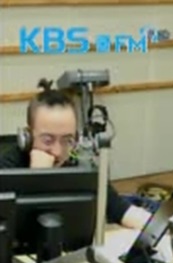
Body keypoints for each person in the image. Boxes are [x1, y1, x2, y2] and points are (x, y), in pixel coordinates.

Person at [0, 80, 150, 230]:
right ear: (27, 137)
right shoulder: (6, 168)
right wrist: (37, 179)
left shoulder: (81, 168)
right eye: (47, 140)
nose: (57, 151)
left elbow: (122, 210)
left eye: (67, 140)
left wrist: (156, 227)